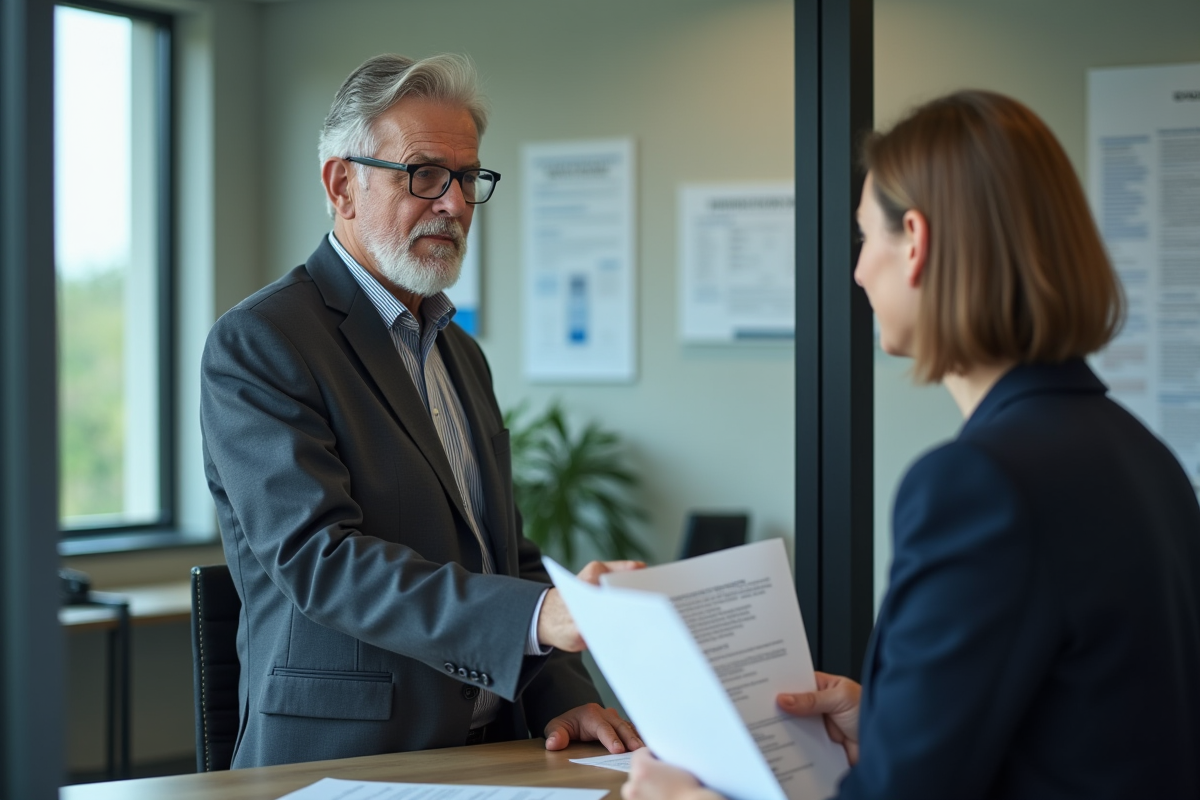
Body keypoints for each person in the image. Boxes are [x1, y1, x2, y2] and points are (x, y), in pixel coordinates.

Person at [623, 90, 1200, 799]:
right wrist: (890, 724)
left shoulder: (979, 484)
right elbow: (1087, 725)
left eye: (866, 238)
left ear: (917, 242)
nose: (860, 271)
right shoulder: (1145, 458)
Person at [200, 53, 644, 769]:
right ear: (342, 184)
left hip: (498, 752)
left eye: (467, 178)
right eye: (425, 174)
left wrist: (559, 688)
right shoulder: (262, 341)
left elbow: (506, 555)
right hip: (345, 760)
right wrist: (538, 618)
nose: (456, 204)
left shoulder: (460, 355)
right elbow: (321, 561)